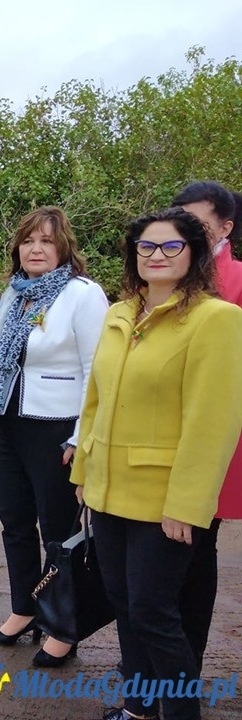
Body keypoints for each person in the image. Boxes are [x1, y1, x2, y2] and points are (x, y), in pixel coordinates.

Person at [72, 208, 242, 720]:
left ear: (193, 254)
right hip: (107, 488)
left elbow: (212, 423)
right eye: (146, 247)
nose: (157, 256)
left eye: (171, 247)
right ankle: (139, 707)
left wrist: (188, 505)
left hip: (164, 500)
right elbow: (96, 399)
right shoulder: (120, 313)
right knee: (123, 604)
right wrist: (84, 472)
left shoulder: (217, 320)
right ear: (133, 255)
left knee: (153, 613)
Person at [0, 207, 108, 666]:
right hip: (9, 423)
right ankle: (23, 608)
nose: (35, 249)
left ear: (63, 247)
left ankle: (61, 627)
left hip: (57, 429)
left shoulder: (83, 295)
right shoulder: (14, 295)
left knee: (58, 533)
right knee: (14, 524)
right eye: (28, 240)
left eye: (46, 241)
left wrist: (80, 436)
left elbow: (98, 371)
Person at [171, 182, 242, 673]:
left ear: (225, 226)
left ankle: (183, 666)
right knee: (157, 555)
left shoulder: (235, 280)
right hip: (155, 435)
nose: (188, 229)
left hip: (209, 437)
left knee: (195, 550)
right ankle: (155, 653)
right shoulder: (167, 274)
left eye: (198, 221)